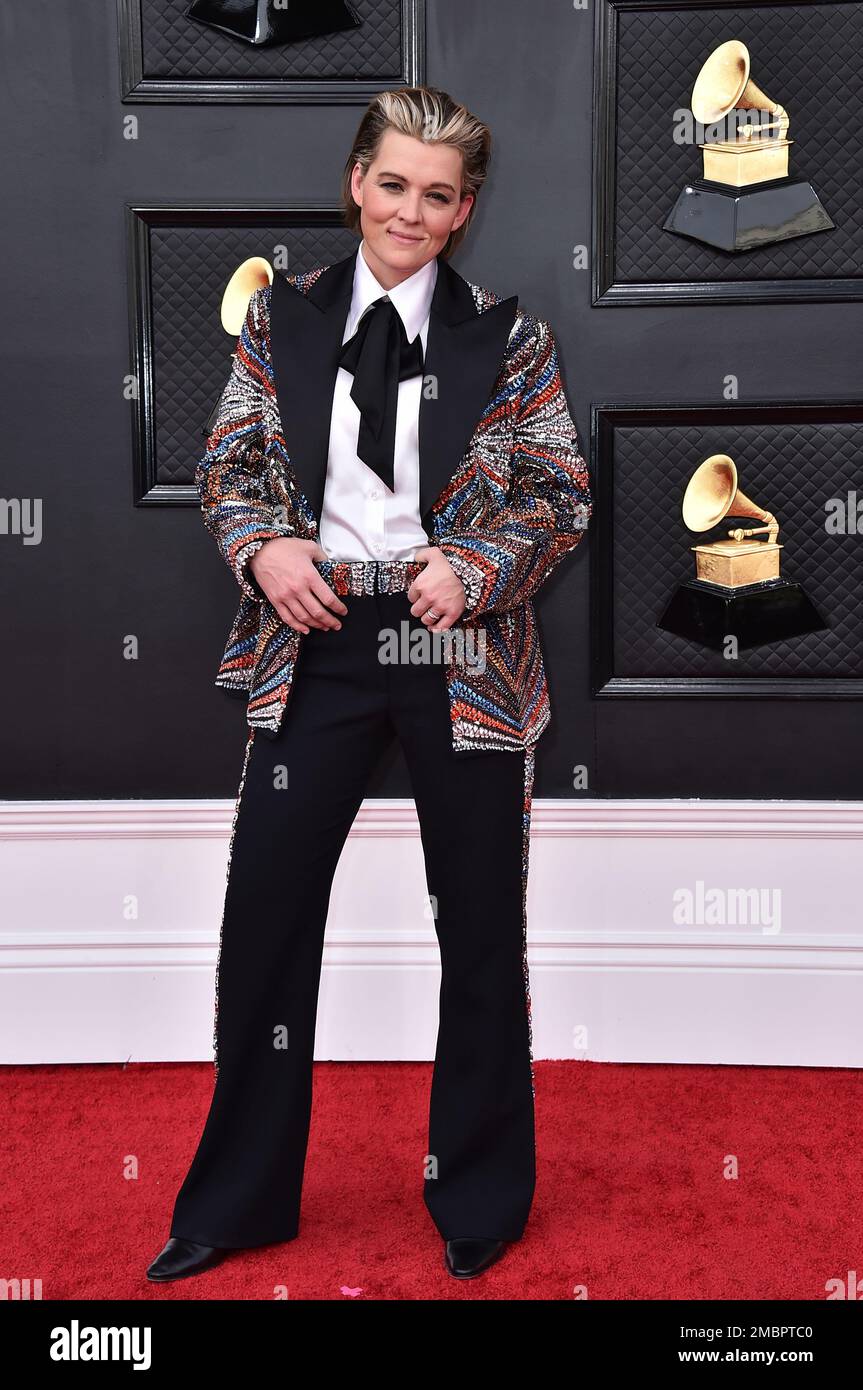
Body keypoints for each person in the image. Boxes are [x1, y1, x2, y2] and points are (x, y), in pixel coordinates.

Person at [147, 84, 592, 1285]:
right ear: (356, 182)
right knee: (265, 924)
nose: (409, 209)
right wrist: (266, 549)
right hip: (318, 633)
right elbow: (226, 462)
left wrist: (476, 567)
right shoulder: (277, 322)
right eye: (390, 183)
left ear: (461, 213)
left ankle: (480, 1197)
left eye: (435, 195)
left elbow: (560, 493)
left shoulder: (509, 338)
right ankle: (236, 1201)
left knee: (481, 930)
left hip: (459, 647)